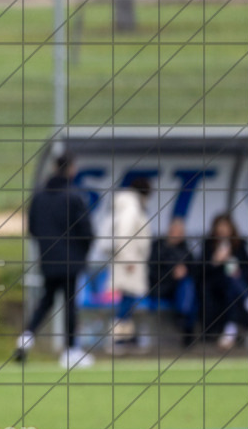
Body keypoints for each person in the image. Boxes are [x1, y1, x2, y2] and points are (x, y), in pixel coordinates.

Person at [15, 153, 96, 368]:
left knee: (47, 300)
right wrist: (81, 252)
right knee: (70, 303)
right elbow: (87, 231)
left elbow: (33, 228)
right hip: (71, 260)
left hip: (48, 259)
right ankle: (70, 351)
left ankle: (26, 338)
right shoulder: (74, 196)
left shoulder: (39, 197)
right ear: (71, 169)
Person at [202, 213, 248, 350]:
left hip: (235, 286)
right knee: (232, 284)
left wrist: (238, 270)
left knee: (233, 286)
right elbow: (201, 271)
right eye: (220, 226)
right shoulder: (209, 244)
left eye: (225, 226)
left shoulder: (239, 244)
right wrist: (215, 261)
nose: (222, 230)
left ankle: (230, 330)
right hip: (216, 285)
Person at [108, 177, 154, 349]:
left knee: (128, 299)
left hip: (130, 260)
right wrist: (128, 258)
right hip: (129, 261)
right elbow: (124, 233)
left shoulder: (128, 204)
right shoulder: (131, 206)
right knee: (127, 299)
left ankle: (126, 336)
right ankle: (118, 337)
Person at [147, 217, 199, 346]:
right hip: (161, 287)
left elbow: (195, 271)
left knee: (189, 286)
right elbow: (152, 272)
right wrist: (172, 274)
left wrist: (184, 270)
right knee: (188, 291)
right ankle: (185, 322)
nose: (177, 235)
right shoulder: (158, 247)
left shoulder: (186, 250)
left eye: (180, 232)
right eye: (175, 231)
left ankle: (184, 317)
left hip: (180, 289)